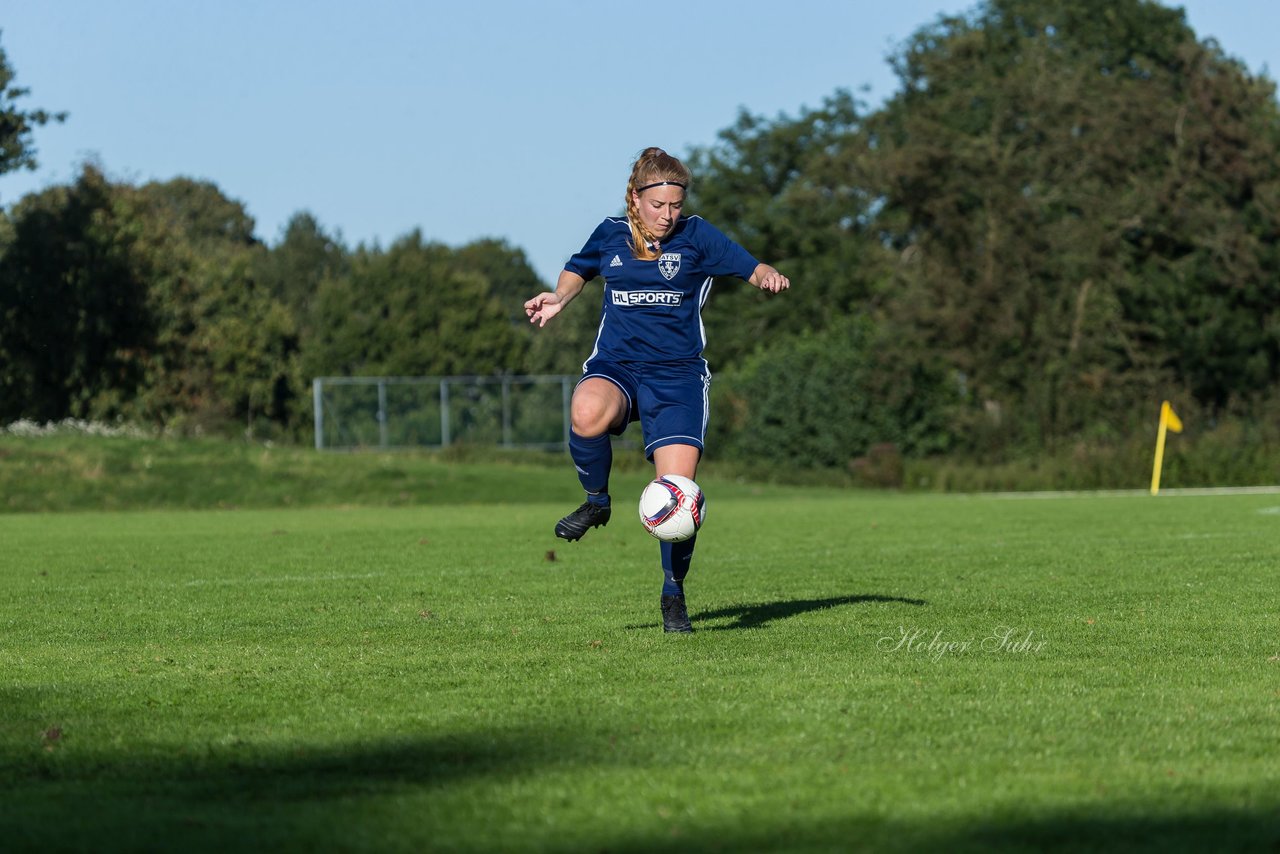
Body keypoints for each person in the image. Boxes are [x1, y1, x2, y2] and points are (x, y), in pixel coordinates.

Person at [523, 147, 790, 633]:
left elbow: (749, 265)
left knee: (678, 495)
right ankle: (597, 502)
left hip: (678, 378)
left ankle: (673, 594)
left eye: (675, 205)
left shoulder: (697, 236)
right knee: (585, 410)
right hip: (618, 365)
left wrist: (766, 275)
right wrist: (559, 297)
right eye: (658, 205)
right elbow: (579, 268)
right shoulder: (610, 234)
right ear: (636, 197)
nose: (668, 215)